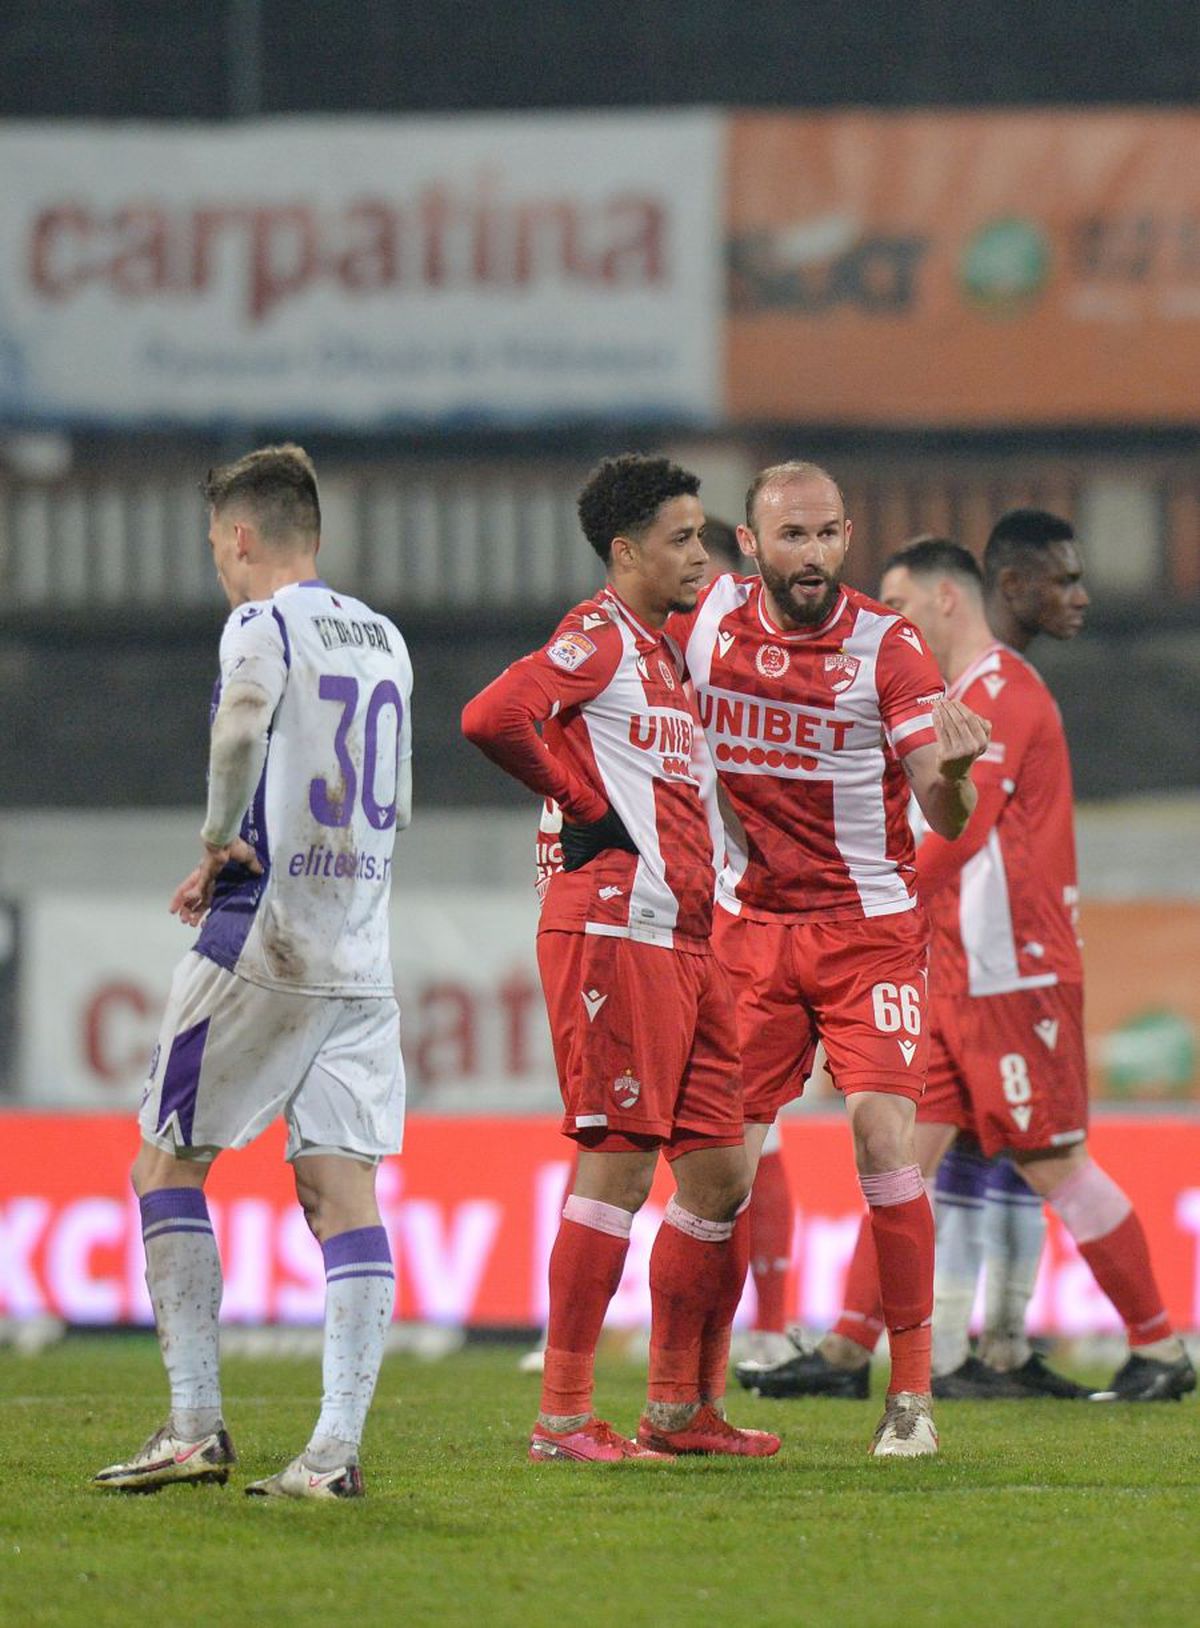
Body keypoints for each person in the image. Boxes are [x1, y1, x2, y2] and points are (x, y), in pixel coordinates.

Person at [762, 524, 1193, 1405]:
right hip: (957, 974)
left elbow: (954, 844)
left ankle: (1161, 1346)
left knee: (1053, 1158)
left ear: (948, 598)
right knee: (898, 1160)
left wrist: (849, 906)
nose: (890, 616)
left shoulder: (1000, 691)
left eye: (903, 600)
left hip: (1014, 972)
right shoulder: (958, 693)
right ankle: (847, 1354)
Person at [94, 445, 414, 1499]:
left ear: (239, 536)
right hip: (363, 949)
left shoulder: (261, 623)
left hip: (265, 936)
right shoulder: (386, 639)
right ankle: (333, 1450)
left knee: (164, 1163)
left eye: (216, 547)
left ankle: (194, 1425)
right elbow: (396, 801)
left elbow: (240, 720)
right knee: (340, 1187)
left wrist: (218, 837)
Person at [670, 461, 991, 1456]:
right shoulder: (709, 618)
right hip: (751, 930)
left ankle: (911, 1400)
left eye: (826, 535)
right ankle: (688, 1402)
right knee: (717, 1177)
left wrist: (959, 776)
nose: (812, 555)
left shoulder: (886, 646)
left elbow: (941, 803)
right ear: (751, 545)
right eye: (791, 537)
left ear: (846, 536)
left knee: (884, 1139)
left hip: (870, 932)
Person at [462, 454, 778, 1463]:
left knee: (724, 1175)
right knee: (619, 1162)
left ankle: (680, 1408)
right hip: (616, 927)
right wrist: (586, 804)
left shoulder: (668, 659)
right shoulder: (595, 638)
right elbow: (491, 714)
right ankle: (562, 1415)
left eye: (702, 535)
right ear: (627, 550)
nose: (700, 552)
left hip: (690, 938)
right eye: (683, 537)